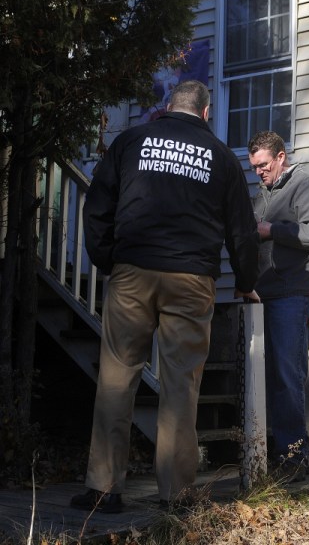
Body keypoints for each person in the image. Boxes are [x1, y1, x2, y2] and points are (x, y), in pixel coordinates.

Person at [71, 80, 259, 514]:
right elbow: (242, 230)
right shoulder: (222, 158)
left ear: (169, 106)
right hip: (191, 278)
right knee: (181, 385)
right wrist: (246, 280)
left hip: (133, 272)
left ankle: (103, 488)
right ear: (206, 113)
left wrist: (108, 259)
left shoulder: (132, 140)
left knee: (117, 377)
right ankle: (175, 495)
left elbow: (97, 204)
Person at [248, 130, 309, 482]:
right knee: (267, 378)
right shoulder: (263, 193)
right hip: (261, 294)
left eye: (264, 165)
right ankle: (274, 455)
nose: (259, 172)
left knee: (288, 376)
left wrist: (273, 230)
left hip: (293, 294)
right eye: (254, 167)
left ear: (281, 157)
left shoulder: (306, 185)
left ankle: (294, 460)